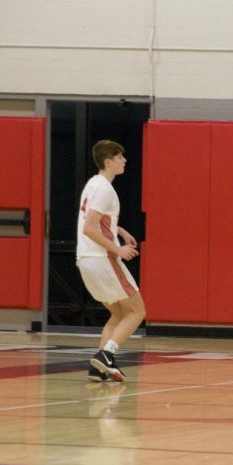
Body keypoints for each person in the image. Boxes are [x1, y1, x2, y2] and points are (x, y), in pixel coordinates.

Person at [77, 139, 147, 383]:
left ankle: (99, 367)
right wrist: (117, 249)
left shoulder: (93, 184)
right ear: (109, 161)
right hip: (102, 258)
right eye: (120, 157)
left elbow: (98, 220)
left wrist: (120, 230)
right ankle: (107, 354)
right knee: (138, 311)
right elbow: (90, 228)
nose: (124, 161)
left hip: (86, 260)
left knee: (118, 313)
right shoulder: (105, 188)